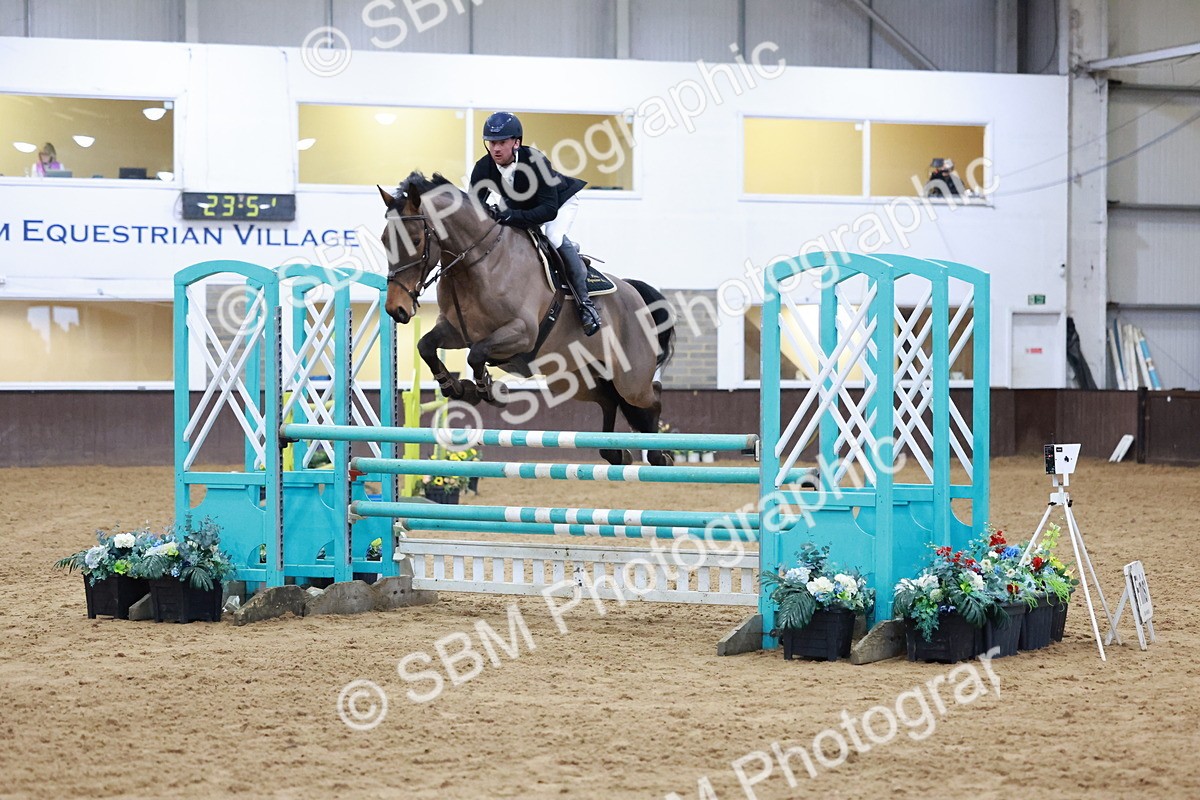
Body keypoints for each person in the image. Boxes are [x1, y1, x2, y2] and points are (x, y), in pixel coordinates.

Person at [468, 111, 601, 336]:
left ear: (516, 143)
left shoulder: (535, 160)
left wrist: (511, 217)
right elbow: (472, 208)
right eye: (491, 143)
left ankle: (585, 305)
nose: (496, 148)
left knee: (553, 237)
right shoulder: (484, 167)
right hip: (520, 206)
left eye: (502, 142)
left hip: (558, 203)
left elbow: (548, 210)